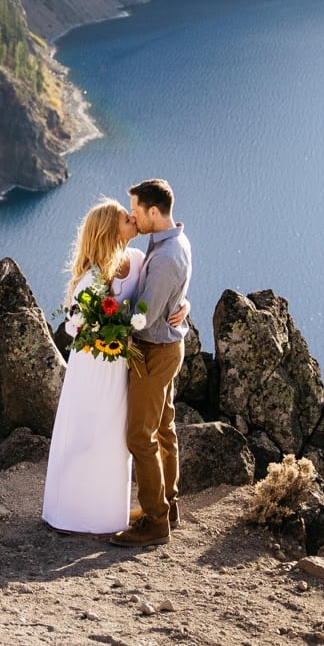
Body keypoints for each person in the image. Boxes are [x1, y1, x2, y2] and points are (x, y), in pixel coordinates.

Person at [41, 199, 145, 534]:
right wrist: (106, 332)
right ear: (109, 231)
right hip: (93, 367)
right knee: (86, 435)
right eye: (125, 218)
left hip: (119, 368)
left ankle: (107, 514)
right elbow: (75, 326)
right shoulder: (90, 280)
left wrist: (182, 305)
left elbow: (164, 292)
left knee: (115, 438)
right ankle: (71, 513)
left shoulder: (140, 261)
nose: (133, 218)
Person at [112, 177, 191, 548]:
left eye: (136, 211)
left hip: (154, 352)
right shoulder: (172, 241)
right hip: (167, 347)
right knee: (164, 429)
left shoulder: (165, 258)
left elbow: (144, 316)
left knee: (139, 436)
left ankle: (155, 521)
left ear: (154, 212)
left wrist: (106, 326)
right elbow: (170, 298)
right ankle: (167, 506)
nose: (132, 217)